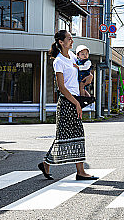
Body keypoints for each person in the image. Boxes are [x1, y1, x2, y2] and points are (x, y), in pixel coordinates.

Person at [38, 30, 97, 181]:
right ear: (61, 42)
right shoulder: (58, 61)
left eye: (71, 39)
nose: (72, 41)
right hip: (66, 102)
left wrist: (86, 79)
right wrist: (76, 103)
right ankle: (77, 170)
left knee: (74, 134)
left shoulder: (72, 56)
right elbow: (61, 87)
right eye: (69, 39)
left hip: (74, 99)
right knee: (65, 135)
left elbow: (78, 76)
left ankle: (74, 170)